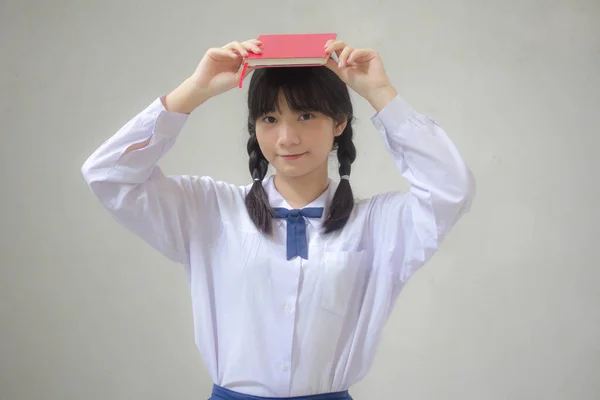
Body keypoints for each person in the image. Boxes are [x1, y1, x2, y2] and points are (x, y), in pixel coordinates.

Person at [81, 38, 475, 400]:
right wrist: (192, 92)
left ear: (339, 123)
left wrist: (381, 94)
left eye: (305, 115)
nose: (286, 138)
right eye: (269, 119)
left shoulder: (378, 223)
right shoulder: (209, 210)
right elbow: (108, 174)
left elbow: (450, 189)